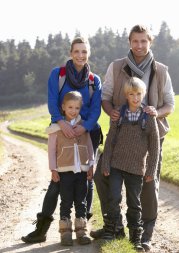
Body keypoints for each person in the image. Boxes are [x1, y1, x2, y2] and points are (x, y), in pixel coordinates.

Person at [92, 24, 175, 252]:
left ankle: (144, 235)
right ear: (130, 42)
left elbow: (170, 104)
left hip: (150, 137)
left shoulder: (161, 70)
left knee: (148, 186)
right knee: (102, 176)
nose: (139, 46)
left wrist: (157, 112)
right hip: (119, 136)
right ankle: (115, 226)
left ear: (150, 42)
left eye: (143, 41)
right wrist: (112, 112)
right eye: (135, 41)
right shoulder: (116, 67)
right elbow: (106, 97)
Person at [21, 37, 102, 244]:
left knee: (86, 182)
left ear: (88, 54)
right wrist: (61, 122)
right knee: (57, 183)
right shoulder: (58, 75)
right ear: (70, 52)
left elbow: (94, 110)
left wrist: (84, 126)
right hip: (62, 131)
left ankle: (82, 226)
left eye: (84, 51)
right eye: (77, 51)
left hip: (87, 131)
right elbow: (51, 101)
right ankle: (42, 229)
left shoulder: (94, 80)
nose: (80, 55)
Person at [101, 77, 160, 251]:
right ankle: (110, 230)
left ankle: (135, 236)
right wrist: (106, 164)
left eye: (138, 94)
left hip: (137, 168)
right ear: (126, 95)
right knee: (114, 198)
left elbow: (154, 145)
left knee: (134, 202)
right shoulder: (118, 115)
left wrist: (151, 169)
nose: (135, 98)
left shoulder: (148, 117)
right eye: (131, 94)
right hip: (116, 166)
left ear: (144, 94)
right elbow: (110, 140)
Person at [46, 91, 93, 246]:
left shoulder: (84, 126)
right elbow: (52, 150)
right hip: (64, 171)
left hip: (82, 171)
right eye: (70, 107)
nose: (74, 111)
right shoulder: (56, 129)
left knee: (81, 201)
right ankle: (65, 233)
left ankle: (81, 232)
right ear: (63, 107)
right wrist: (54, 169)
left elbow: (89, 146)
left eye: (77, 108)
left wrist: (91, 165)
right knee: (66, 201)